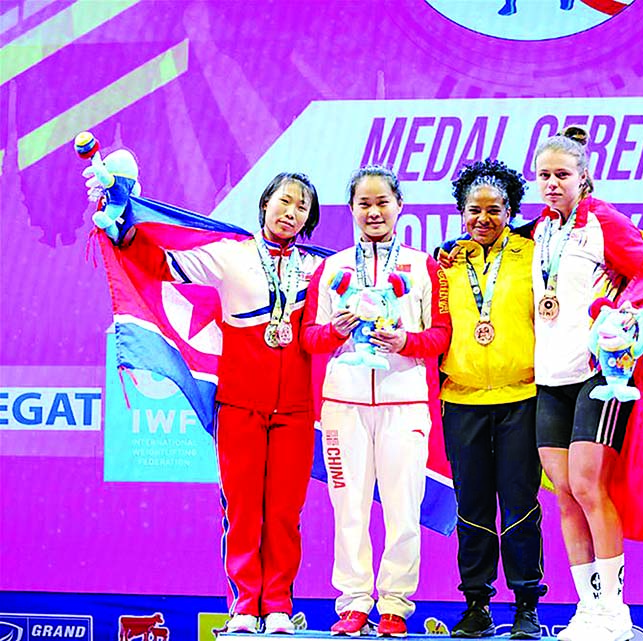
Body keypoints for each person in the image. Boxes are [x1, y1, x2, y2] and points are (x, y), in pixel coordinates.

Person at [99, 171, 327, 635]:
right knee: (243, 509)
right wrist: (124, 230)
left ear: (309, 218)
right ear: (264, 204)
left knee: (284, 513)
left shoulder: (319, 270)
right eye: (285, 201)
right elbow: (162, 264)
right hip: (240, 404)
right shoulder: (229, 256)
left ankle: (278, 604)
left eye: (302, 207)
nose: (291, 212)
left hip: (297, 411)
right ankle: (244, 605)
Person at [531, 127, 643, 641]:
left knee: (591, 486)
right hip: (549, 378)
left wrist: (618, 318)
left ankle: (616, 611)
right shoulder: (540, 232)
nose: (551, 184)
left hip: (597, 375)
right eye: (544, 175)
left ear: (582, 176)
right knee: (565, 494)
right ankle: (587, 610)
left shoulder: (603, 222)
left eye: (562, 175)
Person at [301, 166, 451, 637]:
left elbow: (442, 336)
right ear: (350, 210)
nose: (373, 211)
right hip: (343, 406)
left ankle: (394, 605)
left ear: (399, 205)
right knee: (349, 508)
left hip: (404, 404)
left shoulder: (424, 266)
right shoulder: (331, 268)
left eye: (382, 202)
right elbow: (309, 338)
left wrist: (405, 340)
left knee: (404, 509)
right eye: (363, 204)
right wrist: (335, 331)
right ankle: (352, 602)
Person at [439, 159, 547, 640]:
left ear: (512, 210)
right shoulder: (446, 263)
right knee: (472, 507)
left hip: (521, 397)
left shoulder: (532, 255)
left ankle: (527, 605)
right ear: (461, 211)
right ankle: (477, 606)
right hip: (461, 399)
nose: (483, 218)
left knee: (521, 502)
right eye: (473, 210)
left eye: (495, 209)